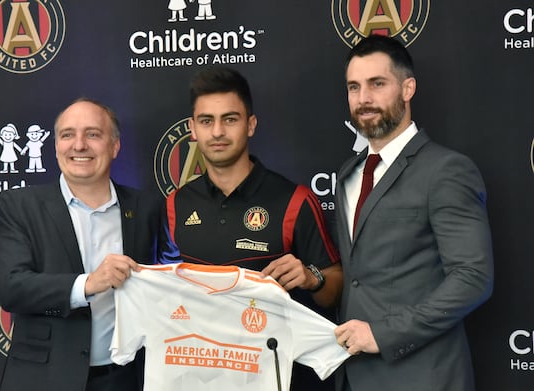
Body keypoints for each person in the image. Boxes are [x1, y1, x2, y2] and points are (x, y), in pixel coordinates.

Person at [158, 65, 343, 387]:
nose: (217, 132)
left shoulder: (295, 200)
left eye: (230, 119)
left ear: (251, 125)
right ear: (192, 128)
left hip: (278, 376)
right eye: (206, 121)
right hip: (199, 378)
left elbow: (335, 287)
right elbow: (162, 295)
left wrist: (311, 278)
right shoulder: (176, 204)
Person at [333, 35, 494, 391]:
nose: (364, 99)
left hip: (423, 377)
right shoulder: (348, 174)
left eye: (377, 84)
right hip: (353, 376)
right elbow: (359, 276)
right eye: (354, 87)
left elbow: (472, 277)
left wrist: (383, 334)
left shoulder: (447, 170)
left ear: (408, 89)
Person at [0, 98, 160, 391]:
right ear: (56, 146)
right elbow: (11, 287)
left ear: (115, 146)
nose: (79, 145)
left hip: (125, 379)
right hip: (45, 379)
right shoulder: (19, 205)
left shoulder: (146, 207)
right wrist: (88, 284)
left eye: (93, 134)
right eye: (67, 135)